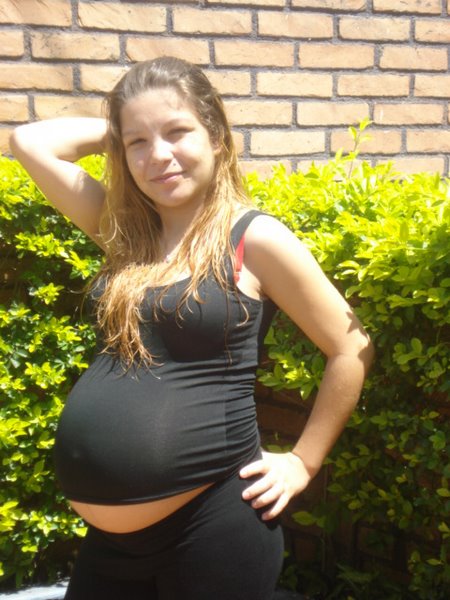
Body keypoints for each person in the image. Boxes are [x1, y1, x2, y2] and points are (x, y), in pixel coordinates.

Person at [9, 56, 374, 600]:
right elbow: (29, 143)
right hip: (112, 548)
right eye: (138, 144)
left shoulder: (254, 238)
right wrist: (123, 131)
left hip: (213, 526)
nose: (159, 155)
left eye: (178, 132)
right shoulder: (125, 234)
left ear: (217, 138)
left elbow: (351, 346)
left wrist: (303, 461)